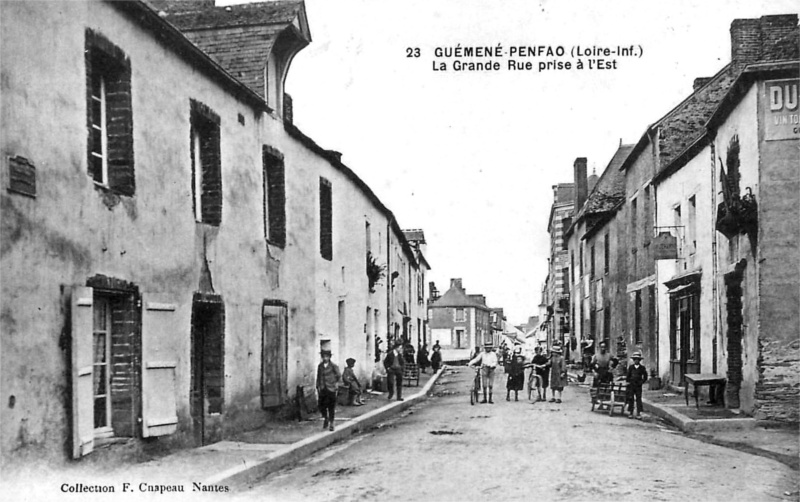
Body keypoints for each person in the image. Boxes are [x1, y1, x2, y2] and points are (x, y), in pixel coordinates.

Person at [316, 349, 341, 431]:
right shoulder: (320, 366)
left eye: (327, 356)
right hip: (323, 388)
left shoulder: (333, 366)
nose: (325, 358)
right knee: (321, 405)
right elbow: (318, 376)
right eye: (323, 356)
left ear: (329, 357)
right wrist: (318, 385)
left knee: (331, 406)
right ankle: (325, 418)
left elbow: (338, 375)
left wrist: (334, 383)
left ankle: (331, 423)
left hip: (331, 388)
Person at [626, 351, 648, 419]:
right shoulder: (631, 367)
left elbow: (645, 376)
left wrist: (642, 382)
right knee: (631, 398)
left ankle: (638, 413)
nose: (636, 360)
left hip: (638, 386)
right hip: (632, 385)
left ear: (639, 360)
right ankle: (630, 413)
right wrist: (628, 382)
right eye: (635, 359)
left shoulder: (642, 368)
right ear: (633, 360)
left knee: (638, 399)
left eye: (637, 359)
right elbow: (628, 376)